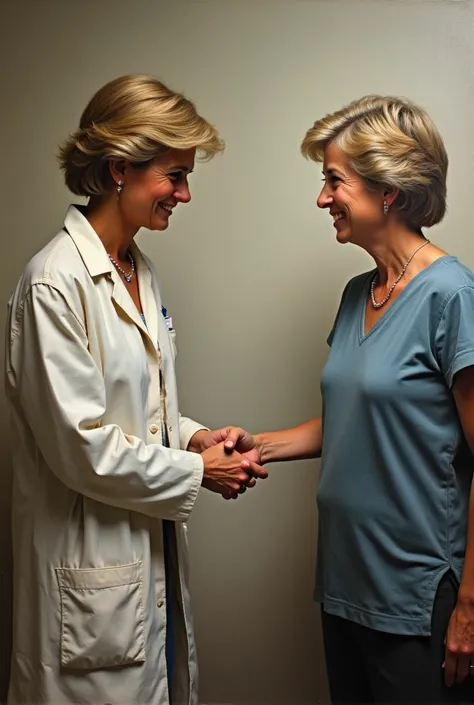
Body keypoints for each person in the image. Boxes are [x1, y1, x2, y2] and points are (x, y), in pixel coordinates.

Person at [4, 74, 267, 705]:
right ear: (120, 167)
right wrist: (196, 470)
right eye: (174, 176)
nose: (184, 193)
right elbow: (81, 446)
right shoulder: (54, 283)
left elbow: (139, 413)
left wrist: (196, 436)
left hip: (145, 566)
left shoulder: (136, 268)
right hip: (89, 578)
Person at [223, 95, 474, 703]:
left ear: (387, 190)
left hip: (416, 594)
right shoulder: (358, 292)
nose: (322, 198)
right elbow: (354, 420)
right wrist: (259, 445)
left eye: (334, 180)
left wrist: (470, 604)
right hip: (343, 582)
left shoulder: (452, 295)